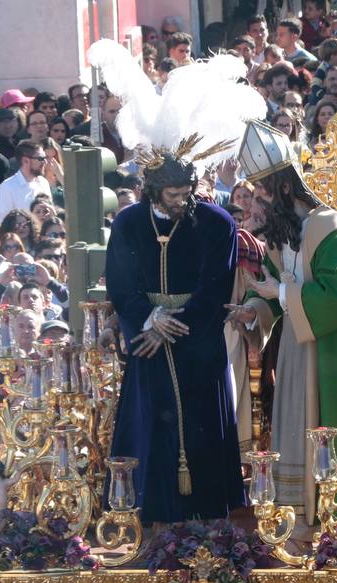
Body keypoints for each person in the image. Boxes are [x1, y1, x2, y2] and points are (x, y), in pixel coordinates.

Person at [231, 121, 337, 533]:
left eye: (261, 191)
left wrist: (280, 293)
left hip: (328, 355)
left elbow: (336, 302)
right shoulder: (284, 235)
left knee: (330, 432)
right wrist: (256, 309)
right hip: (295, 351)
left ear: (281, 188)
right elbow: (277, 294)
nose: (256, 203)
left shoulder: (333, 230)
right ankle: (295, 518)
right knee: (294, 428)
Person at [104, 136, 246, 524]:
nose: (182, 200)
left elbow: (215, 288)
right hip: (146, 341)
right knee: (151, 429)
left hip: (198, 346)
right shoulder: (129, 222)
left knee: (203, 436)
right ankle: (151, 521)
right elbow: (119, 282)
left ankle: (208, 521)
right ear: (152, 189)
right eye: (172, 193)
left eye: (187, 192)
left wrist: (169, 326)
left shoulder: (217, 223)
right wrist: (148, 319)